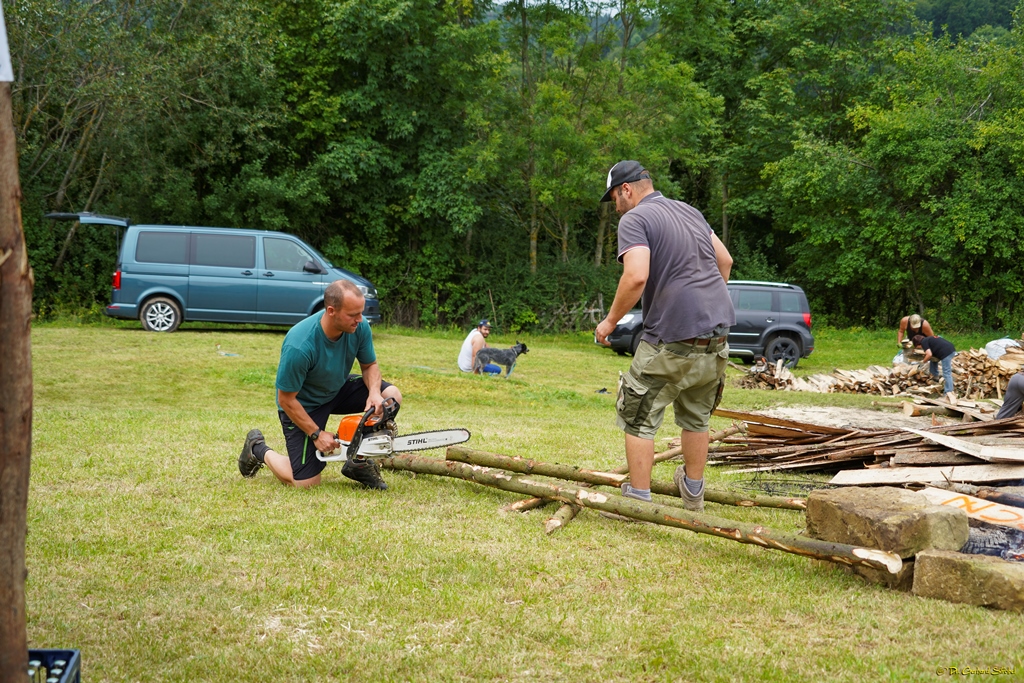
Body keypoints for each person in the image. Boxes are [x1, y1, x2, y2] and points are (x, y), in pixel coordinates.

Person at [595, 160, 735, 512]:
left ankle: (640, 501)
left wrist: (610, 322)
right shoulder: (689, 212)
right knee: (697, 419)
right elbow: (726, 261)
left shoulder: (636, 219)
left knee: (638, 415)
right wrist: (705, 305)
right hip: (716, 339)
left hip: (671, 340)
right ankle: (693, 494)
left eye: (614, 196)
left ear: (627, 189)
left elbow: (636, 276)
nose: (615, 206)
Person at [237, 280, 403, 490]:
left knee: (391, 395)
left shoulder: (359, 328)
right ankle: (258, 449)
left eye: (360, 313)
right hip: (303, 405)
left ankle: (357, 462)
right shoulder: (300, 345)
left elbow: (370, 365)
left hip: (337, 388)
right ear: (331, 311)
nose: (360, 320)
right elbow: (285, 399)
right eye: (353, 315)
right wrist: (316, 434)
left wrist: (373, 393)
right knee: (306, 483)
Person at [913, 333, 956, 398]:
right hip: (950, 348)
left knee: (947, 373)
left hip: (946, 353)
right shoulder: (928, 339)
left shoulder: (924, 342)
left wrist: (923, 361)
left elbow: (929, 354)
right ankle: (935, 376)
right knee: (933, 360)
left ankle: (948, 392)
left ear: (917, 344)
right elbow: (932, 355)